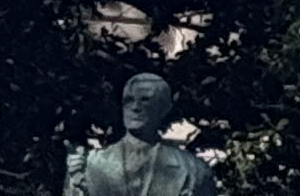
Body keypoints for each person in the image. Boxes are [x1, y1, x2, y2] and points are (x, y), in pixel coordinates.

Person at [66, 74, 219, 196]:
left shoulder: (194, 171)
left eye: (145, 100)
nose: (135, 107)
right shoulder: (91, 166)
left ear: (164, 108)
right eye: (128, 100)